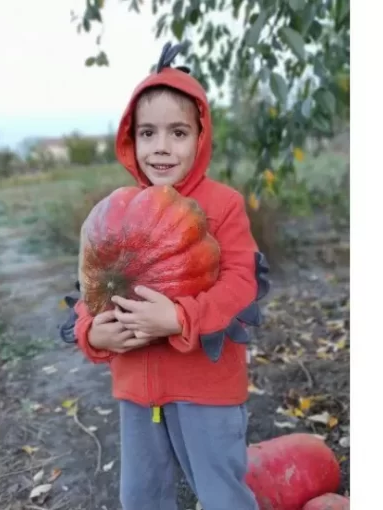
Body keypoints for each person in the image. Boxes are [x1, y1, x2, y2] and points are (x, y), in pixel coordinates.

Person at [60, 42, 270, 510]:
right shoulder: (117, 210)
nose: (161, 147)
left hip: (207, 391)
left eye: (178, 132)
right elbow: (89, 290)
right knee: (142, 497)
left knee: (221, 494)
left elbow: (243, 285)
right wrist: (92, 333)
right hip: (137, 395)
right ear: (130, 140)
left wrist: (180, 318)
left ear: (201, 137)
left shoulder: (223, 205)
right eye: (147, 132)